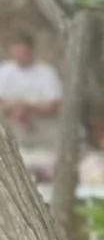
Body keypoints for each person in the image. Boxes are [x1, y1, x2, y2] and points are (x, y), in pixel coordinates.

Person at [0, 30, 63, 179]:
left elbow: (55, 104)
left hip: (40, 130)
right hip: (12, 126)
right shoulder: (4, 71)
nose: (19, 56)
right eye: (16, 52)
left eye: (22, 52)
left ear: (31, 50)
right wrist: (12, 108)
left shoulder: (46, 72)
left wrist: (29, 109)